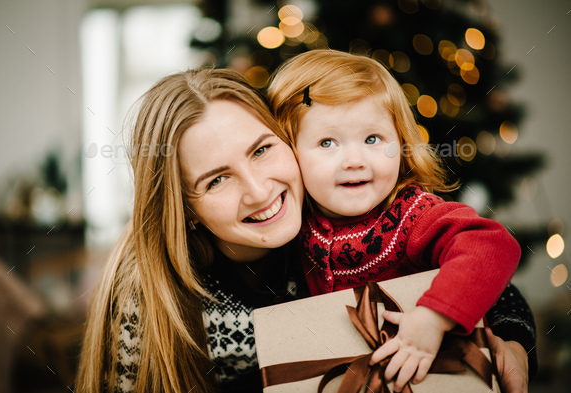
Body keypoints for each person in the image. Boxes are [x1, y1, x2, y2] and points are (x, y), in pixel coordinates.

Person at [76, 68, 535, 393]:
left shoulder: (333, 210)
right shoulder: (151, 297)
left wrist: (512, 341)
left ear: (289, 141)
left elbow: (478, 262)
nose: (258, 192)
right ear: (185, 208)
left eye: (261, 150)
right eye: (216, 179)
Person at [268, 49, 525, 391]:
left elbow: (492, 246)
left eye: (373, 139)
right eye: (327, 142)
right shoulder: (294, 226)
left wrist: (433, 317)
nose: (355, 160)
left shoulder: (413, 214)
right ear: (290, 153)